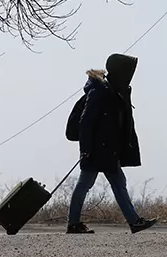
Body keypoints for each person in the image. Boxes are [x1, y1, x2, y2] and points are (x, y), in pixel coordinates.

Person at [67, 53, 157, 234]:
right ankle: (74, 223)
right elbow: (86, 121)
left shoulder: (115, 90)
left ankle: (134, 221)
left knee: (114, 183)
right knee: (86, 184)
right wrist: (86, 149)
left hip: (108, 150)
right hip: (97, 150)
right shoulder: (100, 90)